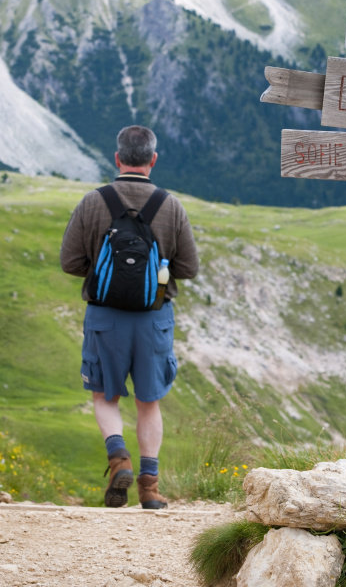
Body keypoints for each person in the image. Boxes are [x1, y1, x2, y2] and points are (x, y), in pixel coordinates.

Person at [61, 125, 199, 509]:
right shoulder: (170, 206)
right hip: (153, 320)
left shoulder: (93, 202)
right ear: (153, 159)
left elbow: (70, 262)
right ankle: (150, 490)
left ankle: (119, 457)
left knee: (105, 395)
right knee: (148, 402)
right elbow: (189, 267)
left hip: (104, 318)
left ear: (118, 158)